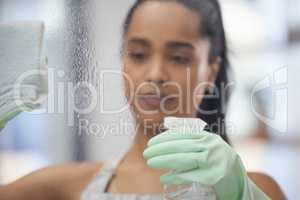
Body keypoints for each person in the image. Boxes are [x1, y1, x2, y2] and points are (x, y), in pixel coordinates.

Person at [0, 0, 286, 199]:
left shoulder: (256, 189)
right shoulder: (64, 187)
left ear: (210, 71)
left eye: (179, 57)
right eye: (138, 54)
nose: (156, 74)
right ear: (123, 62)